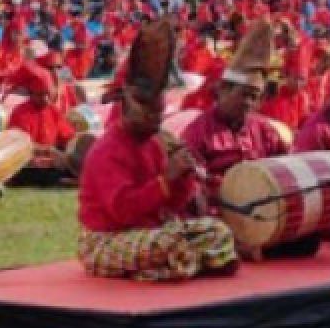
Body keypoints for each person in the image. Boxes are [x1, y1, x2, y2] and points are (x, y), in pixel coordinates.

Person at [77, 19, 238, 281]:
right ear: (128, 109)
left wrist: (185, 178)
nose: (157, 121)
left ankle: (175, 266)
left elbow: (172, 205)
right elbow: (123, 211)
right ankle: (183, 263)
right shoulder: (107, 149)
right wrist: (165, 180)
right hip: (108, 238)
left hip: (153, 229)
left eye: (159, 115)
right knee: (168, 244)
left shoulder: (156, 144)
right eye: (151, 115)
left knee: (218, 231)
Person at [181, 20, 289, 210]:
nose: (248, 102)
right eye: (244, 94)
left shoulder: (265, 130)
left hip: (265, 212)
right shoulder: (197, 132)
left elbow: (285, 166)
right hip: (221, 211)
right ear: (223, 90)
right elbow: (192, 186)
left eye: (254, 97)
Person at [7, 65, 75, 184]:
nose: (45, 99)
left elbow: (68, 136)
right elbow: (21, 145)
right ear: (31, 93)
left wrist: (77, 146)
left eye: (48, 94)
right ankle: (65, 181)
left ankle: (69, 179)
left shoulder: (53, 110)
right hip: (26, 163)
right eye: (41, 95)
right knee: (46, 174)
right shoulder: (20, 112)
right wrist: (48, 150)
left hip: (50, 160)